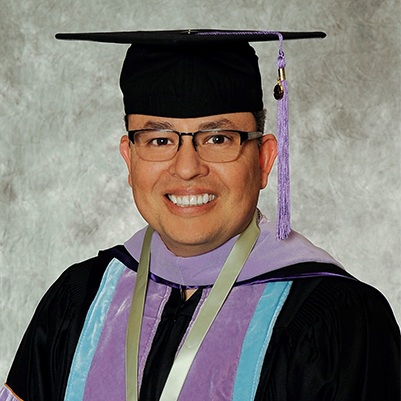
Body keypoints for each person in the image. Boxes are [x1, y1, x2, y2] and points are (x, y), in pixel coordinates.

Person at [1, 29, 399, 401]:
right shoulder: (78, 301)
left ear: (264, 160)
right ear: (129, 159)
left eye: (218, 138)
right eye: (159, 140)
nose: (187, 167)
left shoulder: (341, 321)